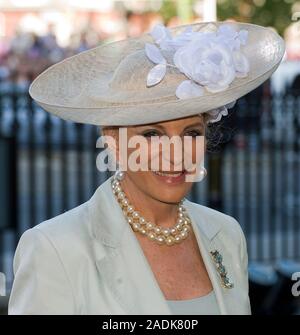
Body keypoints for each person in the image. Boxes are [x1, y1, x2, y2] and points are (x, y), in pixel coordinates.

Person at [8, 21, 285, 315]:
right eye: (152, 134)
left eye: (191, 133)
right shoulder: (55, 249)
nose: (176, 155)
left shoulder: (226, 235)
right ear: (113, 141)